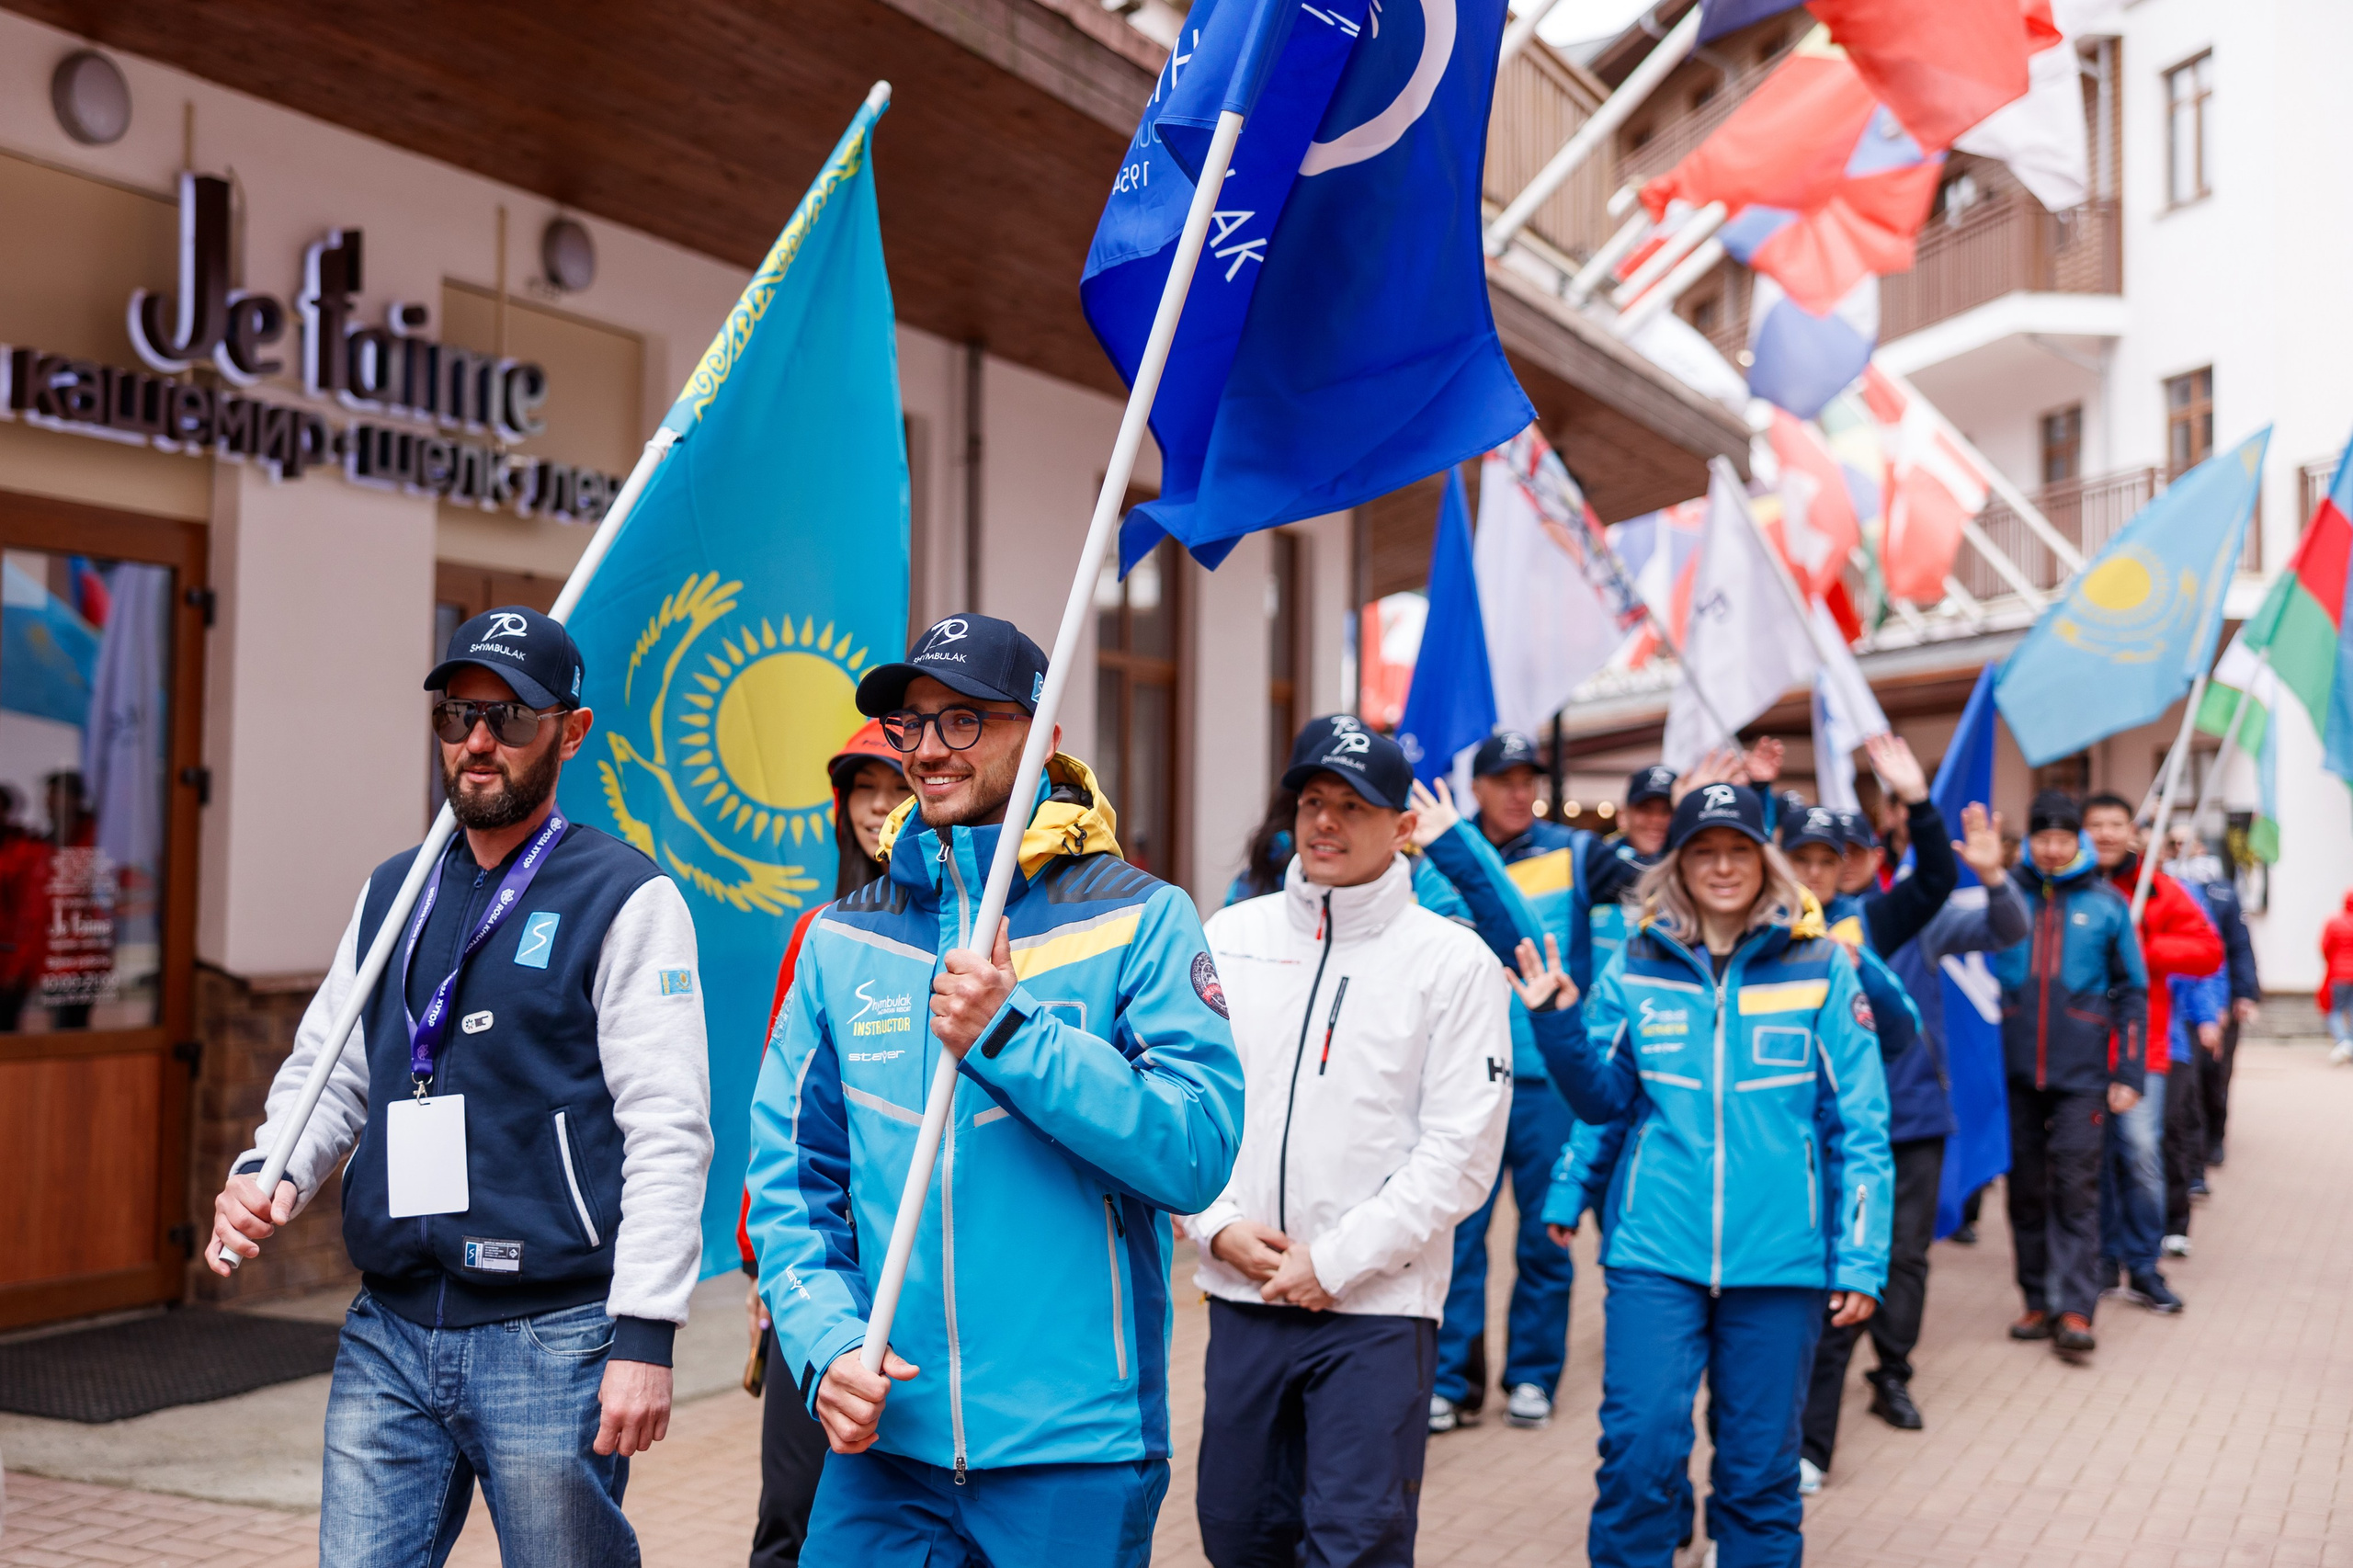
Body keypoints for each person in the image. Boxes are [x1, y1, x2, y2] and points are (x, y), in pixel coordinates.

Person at [207, 607, 714, 1566]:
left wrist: (645, 1331)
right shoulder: (396, 886)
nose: (478, 741)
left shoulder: (625, 895)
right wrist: (266, 1170)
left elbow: (668, 1127)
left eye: (511, 717)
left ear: (570, 730)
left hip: (553, 1335)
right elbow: (331, 1068)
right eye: (457, 714)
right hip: (389, 1327)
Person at [744, 613, 1244, 1567]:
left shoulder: (1140, 917)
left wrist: (1013, 1037)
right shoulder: (843, 936)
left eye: (964, 720)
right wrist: (824, 1344)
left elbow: (1196, 1148)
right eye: (912, 724)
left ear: (1044, 735)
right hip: (883, 1445)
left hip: (1074, 1451)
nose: (930, 748)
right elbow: (789, 1186)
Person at [1525, 781, 1892, 1568]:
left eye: (1738, 849)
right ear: (1678, 866)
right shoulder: (1635, 967)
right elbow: (1602, 1100)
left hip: (1782, 1261)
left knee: (1761, 1472)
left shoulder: (1823, 968)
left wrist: (1860, 1255)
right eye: (1703, 851)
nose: (1722, 866)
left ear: (1765, 861)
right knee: (1639, 1453)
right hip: (1656, 1252)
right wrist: (1556, 1025)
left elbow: (1862, 1129)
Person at [1188, 723, 1511, 1567]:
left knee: (1354, 1544)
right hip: (1244, 1292)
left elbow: (1462, 1153)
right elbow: (1183, 1105)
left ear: (1404, 827)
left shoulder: (1453, 962)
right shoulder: (1233, 935)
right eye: (1312, 802)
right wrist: (1215, 1227)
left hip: (1376, 1310)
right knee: (1237, 1533)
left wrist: (1332, 1262)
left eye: (1354, 807)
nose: (1325, 823)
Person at [1418, 730, 1626, 1434]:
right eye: (1503, 779)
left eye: (1528, 778)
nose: (1518, 791)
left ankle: (1533, 1376)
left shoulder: (1576, 851)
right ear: (1475, 787)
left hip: (1547, 1082)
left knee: (1545, 1235)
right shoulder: (1433, 855)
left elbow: (1657, 879)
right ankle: (1451, 1382)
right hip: (1463, 1078)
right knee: (1459, 1234)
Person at [739, 720, 911, 1568]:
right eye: (861, 793)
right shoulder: (822, 932)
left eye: (893, 789)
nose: (876, 811)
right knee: (792, 1513)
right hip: (817, 1270)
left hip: (909, 1271)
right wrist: (763, 1269)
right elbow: (781, 1116)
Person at [1995, 790, 2147, 1362]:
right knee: (2026, 1193)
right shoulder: (2004, 895)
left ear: (2077, 840)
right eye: (2043, 838)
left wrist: (2128, 1070)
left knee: (2076, 1191)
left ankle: (2077, 1308)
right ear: (2030, 841)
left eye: (2063, 838)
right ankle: (2037, 1300)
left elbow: (2133, 991)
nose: (2053, 849)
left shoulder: (2106, 905)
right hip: (2014, 1075)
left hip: (2082, 1075)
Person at [2082, 793, 2221, 1314]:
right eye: (2095, 824)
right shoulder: (2071, 888)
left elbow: (2209, 950)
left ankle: (2143, 1263)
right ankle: (2098, 1262)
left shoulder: (2160, 891)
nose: (2106, 833)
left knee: (2140, 1153)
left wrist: (2141, 947)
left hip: (2143, 1048)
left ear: (2133, 831)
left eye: (2116, 824)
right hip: (2080, 1049)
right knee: (2090, 1159)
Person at [1589, 764, 1677, 974]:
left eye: (1667, 811)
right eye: (1645, 809)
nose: (1656, 820)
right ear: (1623, 816)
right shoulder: (1597, 863)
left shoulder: (1691, 868)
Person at [2325, 892, 2353, 1064]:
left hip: (2339, 974)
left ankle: (2344, 1042)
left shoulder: (2335, 922)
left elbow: (2325, 946)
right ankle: (2349, 1044)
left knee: (2335, 1010)